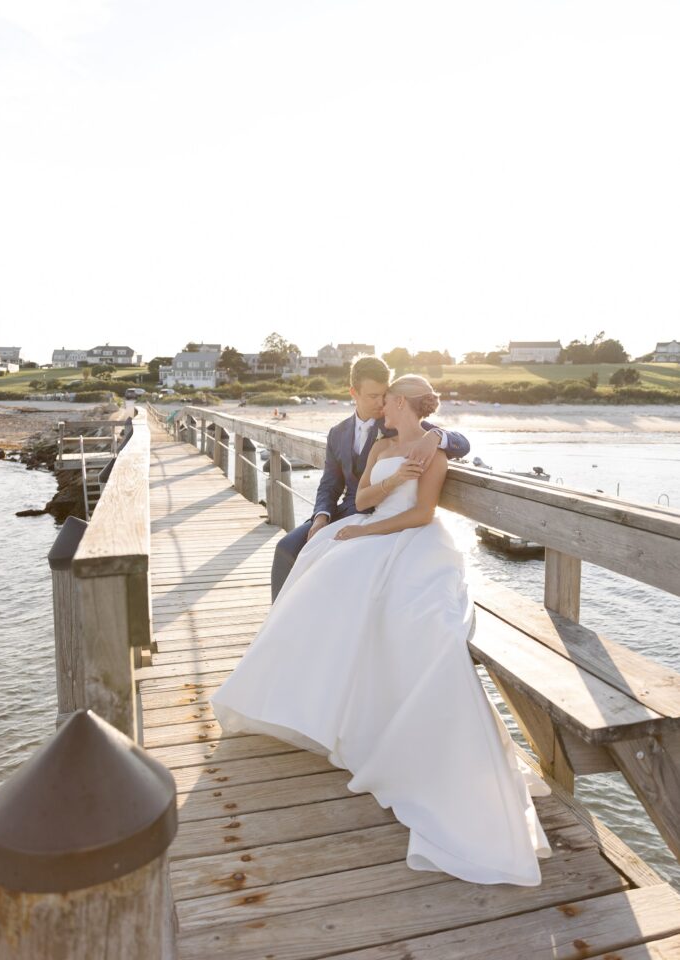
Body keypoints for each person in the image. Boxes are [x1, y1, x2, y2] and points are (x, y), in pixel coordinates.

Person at [212, 374, 552, 886]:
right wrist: (383, 491)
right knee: (319, 574)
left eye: (389, 400)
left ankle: (385, 724)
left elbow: (421, 512)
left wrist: (368, 527)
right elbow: (365, 495)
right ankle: (317, 700)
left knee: (412, 618)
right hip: (370, 526)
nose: (382, 407)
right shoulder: (382, 443)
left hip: (412, 539)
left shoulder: (434, 446)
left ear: (402, 404)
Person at [270, 355, 471, 600]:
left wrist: (437, 435)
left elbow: (461, 444)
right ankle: (281, 617)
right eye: (373, 396)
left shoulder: (394, 423)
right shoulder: (338, 433)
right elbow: (330, 484)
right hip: (347, 511)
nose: (380, 403)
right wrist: (321, 517)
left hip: (380, 517)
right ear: (353, 392)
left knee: (335, 567)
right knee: (286, 548)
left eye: (383, 395)